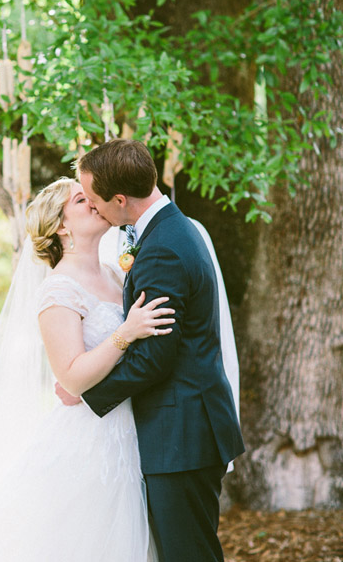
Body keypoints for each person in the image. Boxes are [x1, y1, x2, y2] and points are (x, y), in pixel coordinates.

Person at [0, 176, 173, 562]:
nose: (94, 201)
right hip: (90, 439)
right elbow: (72, 376)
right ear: (61, 225)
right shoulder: (58, 289)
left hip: (133, 427)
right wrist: (125, 333)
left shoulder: (114, 273)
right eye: (81, 199)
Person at [71, 138, 246, 562]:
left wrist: (86, 393)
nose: (92, 209)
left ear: (119, 199)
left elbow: (155, 357)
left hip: (181, 433)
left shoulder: (163, 249)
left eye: (94, 201)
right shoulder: (169, 228)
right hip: (186, 428)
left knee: (188, 554)